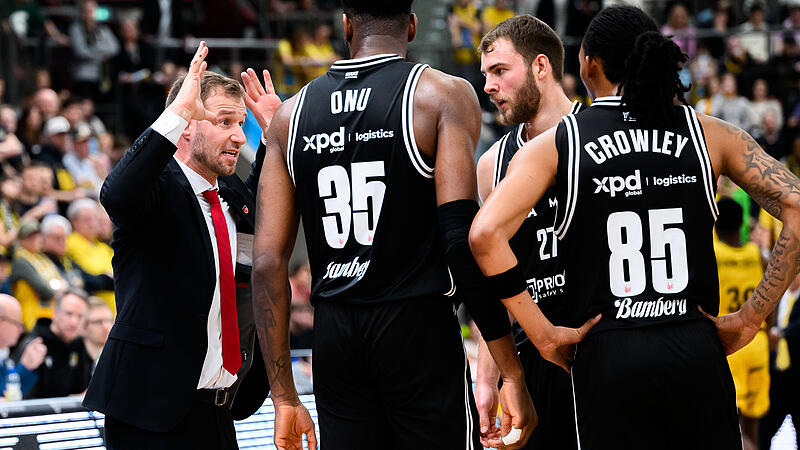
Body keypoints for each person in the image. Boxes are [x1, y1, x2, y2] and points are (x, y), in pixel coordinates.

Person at [251, 1, 592, 449]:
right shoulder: (439, 95)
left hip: (336, 331)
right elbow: (458, 239)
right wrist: (510, 369)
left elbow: (265, 263)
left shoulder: (289, 116)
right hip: (415, 324)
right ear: (412, 26)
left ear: (346, 26)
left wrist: (283, 397)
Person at [470, 5, 800, 449]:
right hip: (693, 345)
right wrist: (752, 316)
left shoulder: (559, 143)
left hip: (609, 355)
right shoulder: (710, 133)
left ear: (589, 63)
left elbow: (483, 235)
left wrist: (544, 336)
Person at [82, 43, 272, 449]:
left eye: (240, 123)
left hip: (219, 409)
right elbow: (116, 195)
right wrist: (174, 113)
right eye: (225, 122)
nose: (239, 136)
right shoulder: (155, 187)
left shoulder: (230, 194)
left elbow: (265, 203)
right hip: (149, 412)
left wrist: (275, 138)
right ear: (188, 125)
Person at [473, 15, 584, 450]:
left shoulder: (600, 139)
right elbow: (492, 282)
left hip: (599, 349)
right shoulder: (491, 165)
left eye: (499, 71)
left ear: (541, 67)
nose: (488, 85)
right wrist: (487, 378)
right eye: (485, 75)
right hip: (530, 362)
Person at [714, 198, 770, 449]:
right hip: (758, 341)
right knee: (753, 426)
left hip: (730, 345)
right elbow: (771, 300)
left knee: (729, 429)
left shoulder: (712, 254)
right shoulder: (757, 255)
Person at [17, 289, 93, 399]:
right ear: (55, 313)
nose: (74, 322)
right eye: (69, 314)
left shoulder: (79, 344)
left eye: (80, 316)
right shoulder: (36, 344)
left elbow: (82, 388)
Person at [0, 294, 46, 397]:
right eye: (17, 323)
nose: (21, 330)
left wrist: (26, 367)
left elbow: (12, 396)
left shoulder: (3, 352)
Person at [82, 298, 113, 364]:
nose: (106, 327)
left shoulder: (116, 355)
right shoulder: (73, 354)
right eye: (98, 322)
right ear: (83, 327)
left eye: (109, 320)